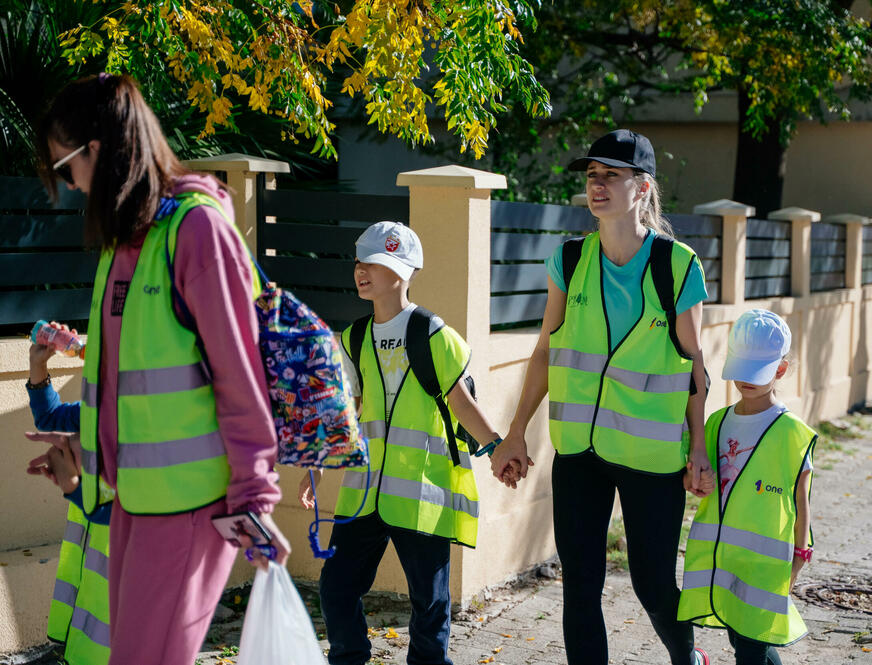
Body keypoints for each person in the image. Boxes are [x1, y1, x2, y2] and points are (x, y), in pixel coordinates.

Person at [34, 73, 289, 665]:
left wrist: (254, 496)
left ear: (97, 150)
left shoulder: (195, 231)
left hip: (192, 509)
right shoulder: (123, 247)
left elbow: (241, 376)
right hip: (134, 505)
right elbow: (136, 386)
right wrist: (85, 449)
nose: (70, 186)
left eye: (65, 166)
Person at [489, 129, 712, 665]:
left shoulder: (676, 265)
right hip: (579, 456)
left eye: (612, 175)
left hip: (651, 459)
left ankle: (688, 658)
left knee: (652, 586)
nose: (598, 185)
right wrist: (516, 430)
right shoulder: (567, 261)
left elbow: (694, 367)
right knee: (580, 586)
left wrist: (699, 448)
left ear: (642, 187)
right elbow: (545, 350)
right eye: (592, 175)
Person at [298, 222, 505, 665]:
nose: (362, 271)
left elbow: (461, 401)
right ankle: (349, 658)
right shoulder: (353, 338)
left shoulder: (437, 336)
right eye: (359, 262)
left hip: (421, 492)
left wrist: (497, 446)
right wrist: (315, 466)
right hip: (366, 492)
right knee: (337, 585)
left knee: (429, 602)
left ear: (405, 272)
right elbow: (346, 410)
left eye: (375, 263)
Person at [678, 309, 815, 665]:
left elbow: (802, 502)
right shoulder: (716, 423)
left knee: (752, 649)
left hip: (766, 565)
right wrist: (697, 482)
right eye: (741, 370)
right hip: (724, 559)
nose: (746, 381)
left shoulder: (791, 433)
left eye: (758, 372)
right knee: (744, 640)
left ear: (780, 371)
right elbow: (700, 480)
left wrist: (799, 560)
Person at [23, 325, 112, 665]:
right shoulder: (98, 407)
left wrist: (74, 487)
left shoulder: (146, 427)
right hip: (85, 629)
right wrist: (39, 367)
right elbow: (50, 419)